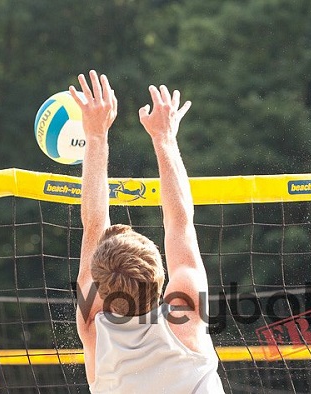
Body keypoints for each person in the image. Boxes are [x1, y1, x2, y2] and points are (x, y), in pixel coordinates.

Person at [70, 70, 224, 393]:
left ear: (101, 290)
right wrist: (164, 137)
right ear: (160, 278)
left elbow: (93, 225)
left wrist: (96, 137)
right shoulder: (187, 317)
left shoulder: (94, 331)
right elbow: (180, 222)